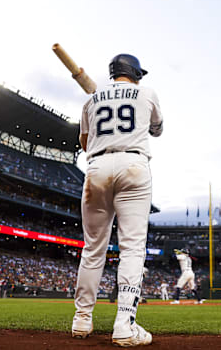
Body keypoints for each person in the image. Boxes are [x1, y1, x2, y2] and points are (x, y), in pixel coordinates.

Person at [72, 54, 163, 347]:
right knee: (132, 248)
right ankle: (124, 325)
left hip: (97, 167)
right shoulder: (147, 93)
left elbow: (84, 143)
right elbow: (157, 129)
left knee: (93, 248)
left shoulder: (91, 99)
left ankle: (82, 320)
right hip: (134, 165)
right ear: (135, 73)